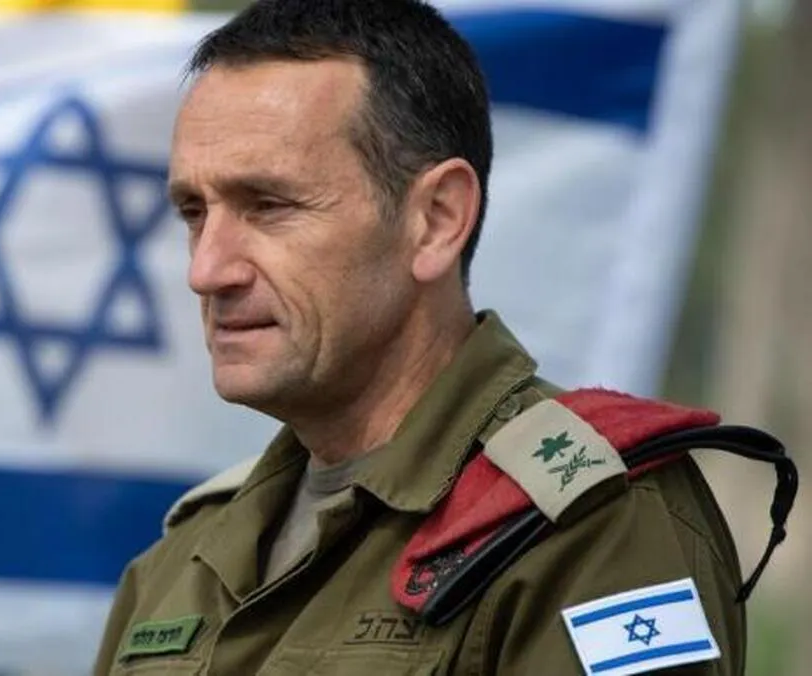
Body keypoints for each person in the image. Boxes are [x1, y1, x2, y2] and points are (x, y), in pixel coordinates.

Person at [93, 0, 796, 674]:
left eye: (269, 205)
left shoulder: (587, 524)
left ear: (435, 219)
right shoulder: (184, 558)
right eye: (194, 212)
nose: (207, 269)